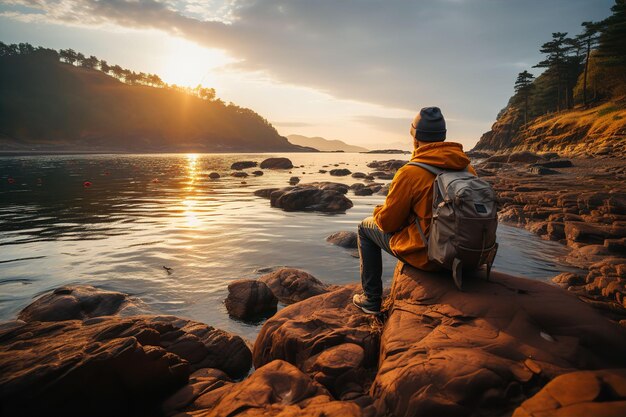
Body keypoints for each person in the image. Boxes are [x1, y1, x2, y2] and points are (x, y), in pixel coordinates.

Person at [352, 106, 476, 314]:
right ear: (443, 136)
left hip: (431, 258)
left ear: (415, 137)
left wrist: (378, 210)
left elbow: (387, 223)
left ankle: (371, 299)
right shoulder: (467, 169)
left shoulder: (410, 173)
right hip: (466, 256)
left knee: (364, 228)